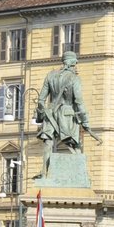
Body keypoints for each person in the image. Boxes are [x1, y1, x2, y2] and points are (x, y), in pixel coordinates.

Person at [34, 50, 94, 178]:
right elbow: (78, 101)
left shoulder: (50, 76)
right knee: (75, 145)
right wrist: (85, 121)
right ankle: (81, 175)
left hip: (50, 114)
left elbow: (41, 100)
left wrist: (42, 113)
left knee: (48, 143)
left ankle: (44, 173)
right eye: (75, 65)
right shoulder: (75, 79)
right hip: (67, 114)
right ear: (72, 64)